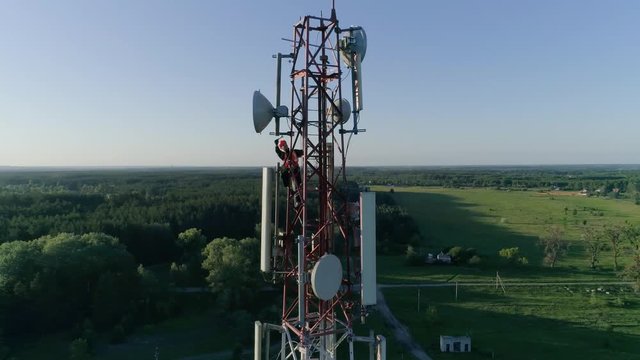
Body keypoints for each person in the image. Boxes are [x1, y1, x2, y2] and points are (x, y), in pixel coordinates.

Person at [275, 138, 304, 207]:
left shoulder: (293, 151)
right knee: (284, 174)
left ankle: (298, 201)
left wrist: (305, 150)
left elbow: (302, 152)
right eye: (283, 145)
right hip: (288, 170)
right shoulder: (282, 154)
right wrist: (277, 143)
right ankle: (291, 191)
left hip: (295, 170)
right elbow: (277, 150)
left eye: (285, 145)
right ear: (281, 147)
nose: (285, 146)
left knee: (298, 185)